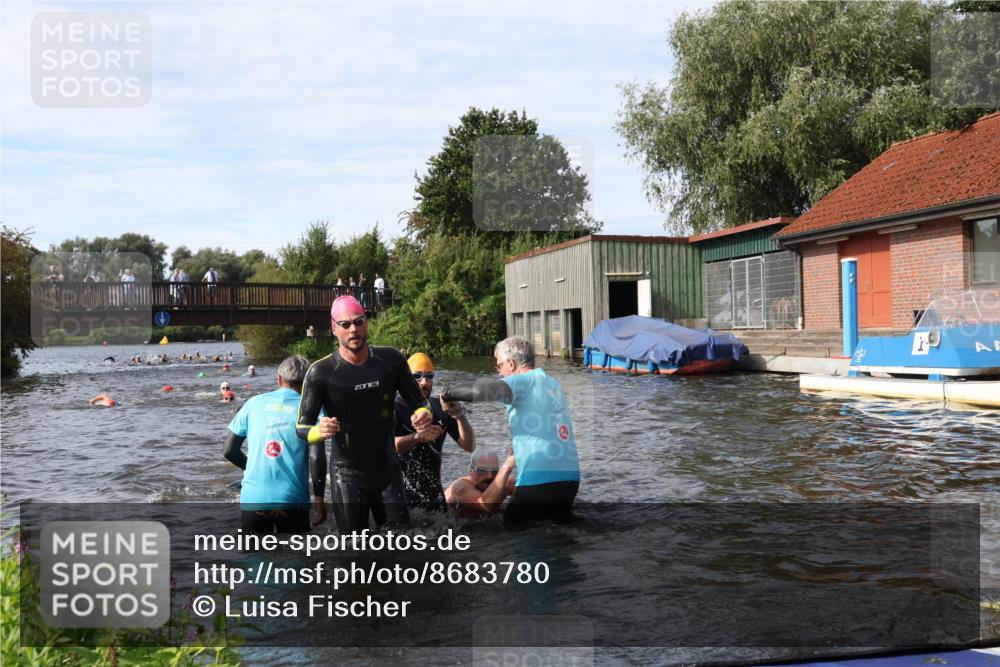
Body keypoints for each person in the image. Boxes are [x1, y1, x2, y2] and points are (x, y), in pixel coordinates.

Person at [296, 295, 434, 533]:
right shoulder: (320, 372)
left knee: (403, 546)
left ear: (366, 323)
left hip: (388, 471)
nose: (353, 329)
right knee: (353, 552)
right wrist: (319, 431)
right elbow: (301, 428)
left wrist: (423, 413)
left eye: (359, 321)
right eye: (345, 324)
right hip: (347, 476)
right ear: (333, 328)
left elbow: (421, 403)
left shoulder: (390, 360)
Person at [441, 336, 580, 522]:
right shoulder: (552, 383)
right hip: (570, 480)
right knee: (557, 539)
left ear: (511, 364)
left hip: (540, 480)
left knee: (513, 535)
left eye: (499, 366)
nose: (499, 373)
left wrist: (448, 394)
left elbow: (481, 391)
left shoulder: (522, 380)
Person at [223, 355, 318, 535]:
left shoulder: (253, 403)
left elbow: (229, 451)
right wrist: (320, 496)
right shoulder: (310, 407)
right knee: (295, 558)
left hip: (253, 497)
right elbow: (316, 455)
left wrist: (250, 468)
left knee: (254, 557)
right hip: (292, 497)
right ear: (307, 381)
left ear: (279, 378)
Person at [393, 352, 475, 512]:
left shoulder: (440, 407)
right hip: (400, 496)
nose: (424, 382)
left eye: (429, 376)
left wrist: (458, 415)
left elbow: (469, 446)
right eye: (417, 376)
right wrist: (417, 437)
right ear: (406, 378)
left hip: (434, 495)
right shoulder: (394, 407)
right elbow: (389, 446)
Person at [444, 450, 517, 518]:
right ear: (471, 471)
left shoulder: (505, 484)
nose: (490, 476)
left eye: (494, 471)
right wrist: (507, 466)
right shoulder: (460, 487)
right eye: (482, 471)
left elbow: (526, 490)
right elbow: (486, 505)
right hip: (450, 529)